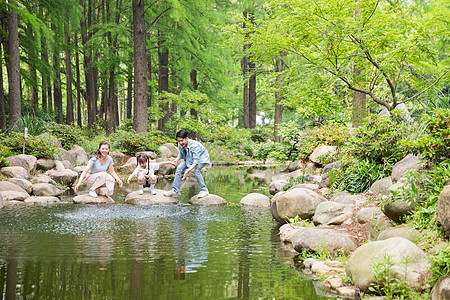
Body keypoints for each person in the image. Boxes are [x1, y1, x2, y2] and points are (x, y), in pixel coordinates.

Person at [164, 130, 210, 198]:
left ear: (187, 138)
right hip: (189, 158)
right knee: (179, 168)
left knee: (195, 170)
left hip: (201, 158)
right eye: (178, 141)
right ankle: (174, 191)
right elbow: (181, 154)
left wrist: (188, 170)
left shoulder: (194, 146)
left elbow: (196, 161)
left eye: (182, 140)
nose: (180, 142)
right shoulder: (180, 144)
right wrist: (176, 160)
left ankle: (204, 190)